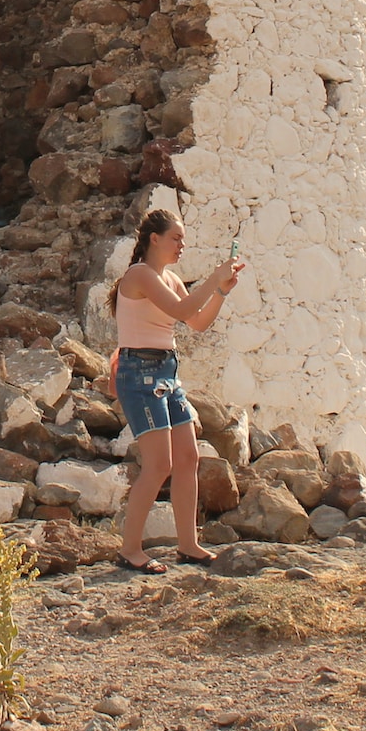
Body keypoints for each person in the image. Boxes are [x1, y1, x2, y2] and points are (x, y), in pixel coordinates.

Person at [110, 208, 244, 572]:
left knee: (188, 459)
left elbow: (198, 322)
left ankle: (189, 544)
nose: (182, 245)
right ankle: (130, 550)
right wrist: (214, 276)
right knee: (158, 465)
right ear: (155, 239)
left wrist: (220, 290)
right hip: (139, 373)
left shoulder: (169, 278)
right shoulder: (140, 275)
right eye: (176, 238)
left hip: (168, 372)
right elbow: (184, 310)